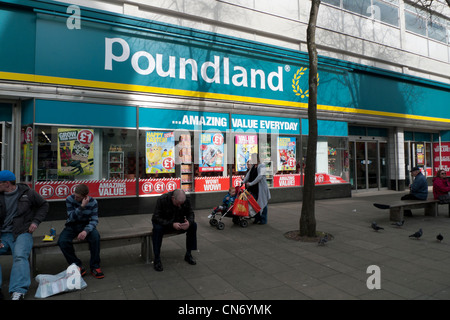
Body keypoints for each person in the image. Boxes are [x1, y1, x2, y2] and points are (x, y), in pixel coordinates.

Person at [0, 170, 49, 300]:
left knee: (20, 255)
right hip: (3, 234)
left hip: (22, 232)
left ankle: (18, 290)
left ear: (7, 183)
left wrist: (35, 222)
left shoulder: (28, 193)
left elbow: (44, 205)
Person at [58, 184, 104, 279]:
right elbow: (71, 217)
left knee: (95, 238)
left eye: (78, 197)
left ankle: (95, 266)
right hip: (72, 225)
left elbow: (94, 220)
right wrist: (82, 206)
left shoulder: (93, 202)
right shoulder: (69, 199)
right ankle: (77, 265)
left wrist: (85, 231)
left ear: (85, 197)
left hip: (86, 225)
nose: (75, 198)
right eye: (75, 195)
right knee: (62, 241)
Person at [151, 189, 197, 272]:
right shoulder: (162, 199)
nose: (179, 205)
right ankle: (157, 258)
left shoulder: (186, 199)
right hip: (164, 222)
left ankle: (188, 254)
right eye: (178, 203)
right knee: (157, 229)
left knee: (193, 226)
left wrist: (189, 223)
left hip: (178, 221)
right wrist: (171, 224)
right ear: (173, 198)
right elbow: (156, 217)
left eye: (181, 204)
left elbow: (190, 213)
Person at [243, 153, 271, 224]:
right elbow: (248, 175)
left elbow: (260, 177)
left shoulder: (262, 166)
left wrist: (251, 183)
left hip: (261, 188)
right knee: (254, 204)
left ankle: (263, 220)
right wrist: (243, 181)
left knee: (263, 204)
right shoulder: (253, 166)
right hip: (254, 188)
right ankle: (257, 218)